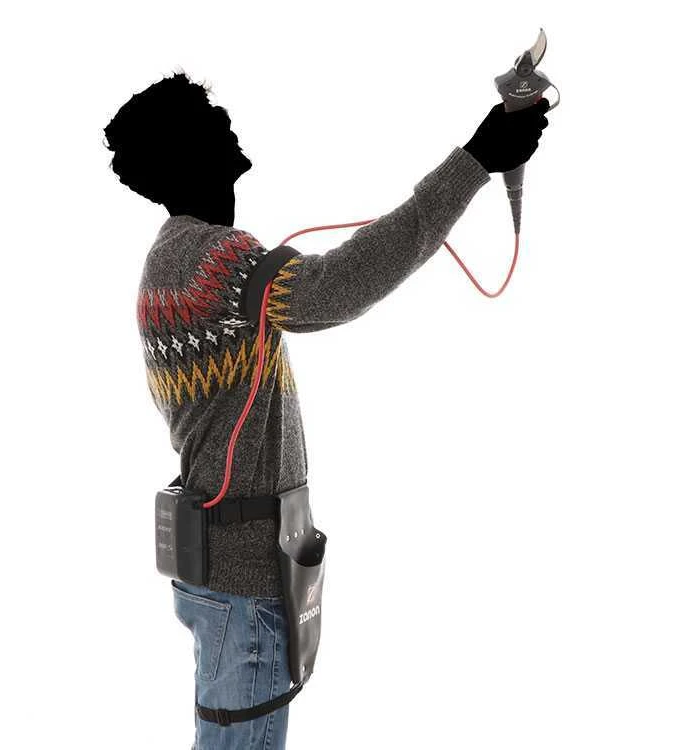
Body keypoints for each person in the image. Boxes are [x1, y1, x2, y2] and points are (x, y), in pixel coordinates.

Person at [103, 69, 548, 750]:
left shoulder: (174, 259)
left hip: (225, 576)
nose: (226, 121)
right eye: (209, 115)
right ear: (189, 151)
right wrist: (476, 160)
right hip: (243, 582)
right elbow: (334, 287)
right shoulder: (211, 261)